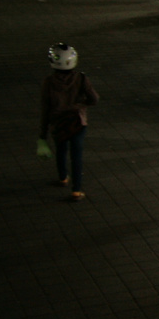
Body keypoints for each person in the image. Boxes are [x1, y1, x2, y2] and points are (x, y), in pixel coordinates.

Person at [39, 43, 99, 203]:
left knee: (61, 149)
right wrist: (80, 105)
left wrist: (42, 136)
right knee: (76, 156)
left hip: (58, 122)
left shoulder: (48, 82)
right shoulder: (81, 78)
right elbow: (94, 99)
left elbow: (45, 110)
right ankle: (76, 191)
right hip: (77, 122)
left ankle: (63, 177)